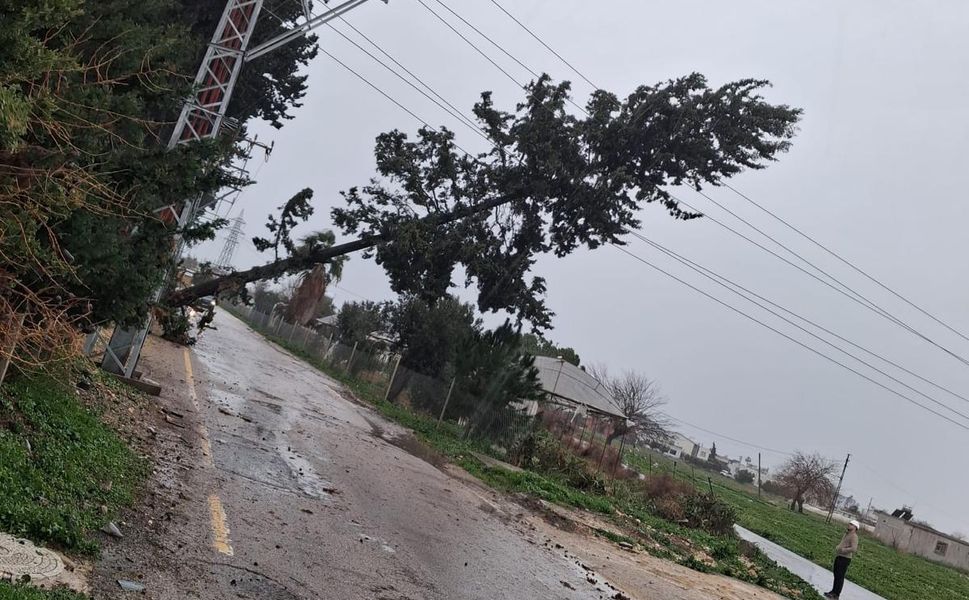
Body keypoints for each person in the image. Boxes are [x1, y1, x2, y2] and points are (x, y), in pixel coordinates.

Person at [825, 519, 860, 599]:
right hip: (839, 556)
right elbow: (843, 543)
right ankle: (833, 591)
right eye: (849, 523)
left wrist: (843, 550)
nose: (849, 525)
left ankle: (836, 594)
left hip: (845, 558)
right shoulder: (846, 534)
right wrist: (838, 547)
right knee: (836, 575)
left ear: (855, 527)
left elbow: (854, 548)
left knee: (840, 576)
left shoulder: (854, 536)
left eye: (851, 524)